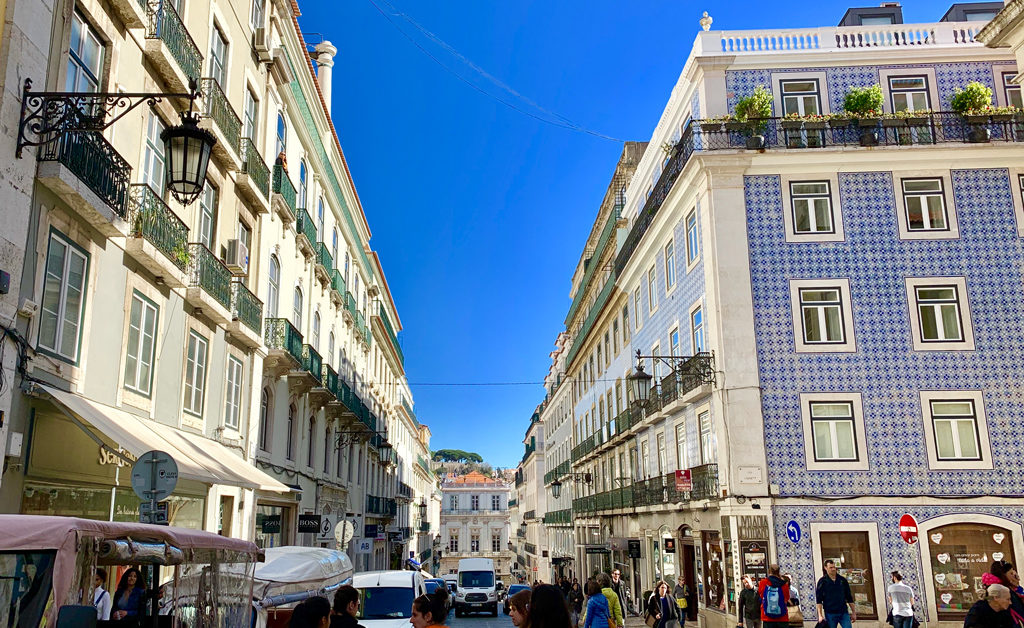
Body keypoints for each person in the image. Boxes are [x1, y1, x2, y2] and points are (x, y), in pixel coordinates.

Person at [815, 560, 856, 628]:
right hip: (830, 613)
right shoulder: (822, 582)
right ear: (825, 568)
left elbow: (849, 597)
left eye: (834, 567)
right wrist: (820, 615)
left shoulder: (842, 580)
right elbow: (819, 600)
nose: (833, 569)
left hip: (843, 612)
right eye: (831, 567)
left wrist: (853, 612)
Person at [988, 561, 1024, 625]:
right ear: (1004, 576)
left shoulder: (1015, 591)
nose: (1015, 575)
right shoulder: (1003, 593)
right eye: (1011, 573)